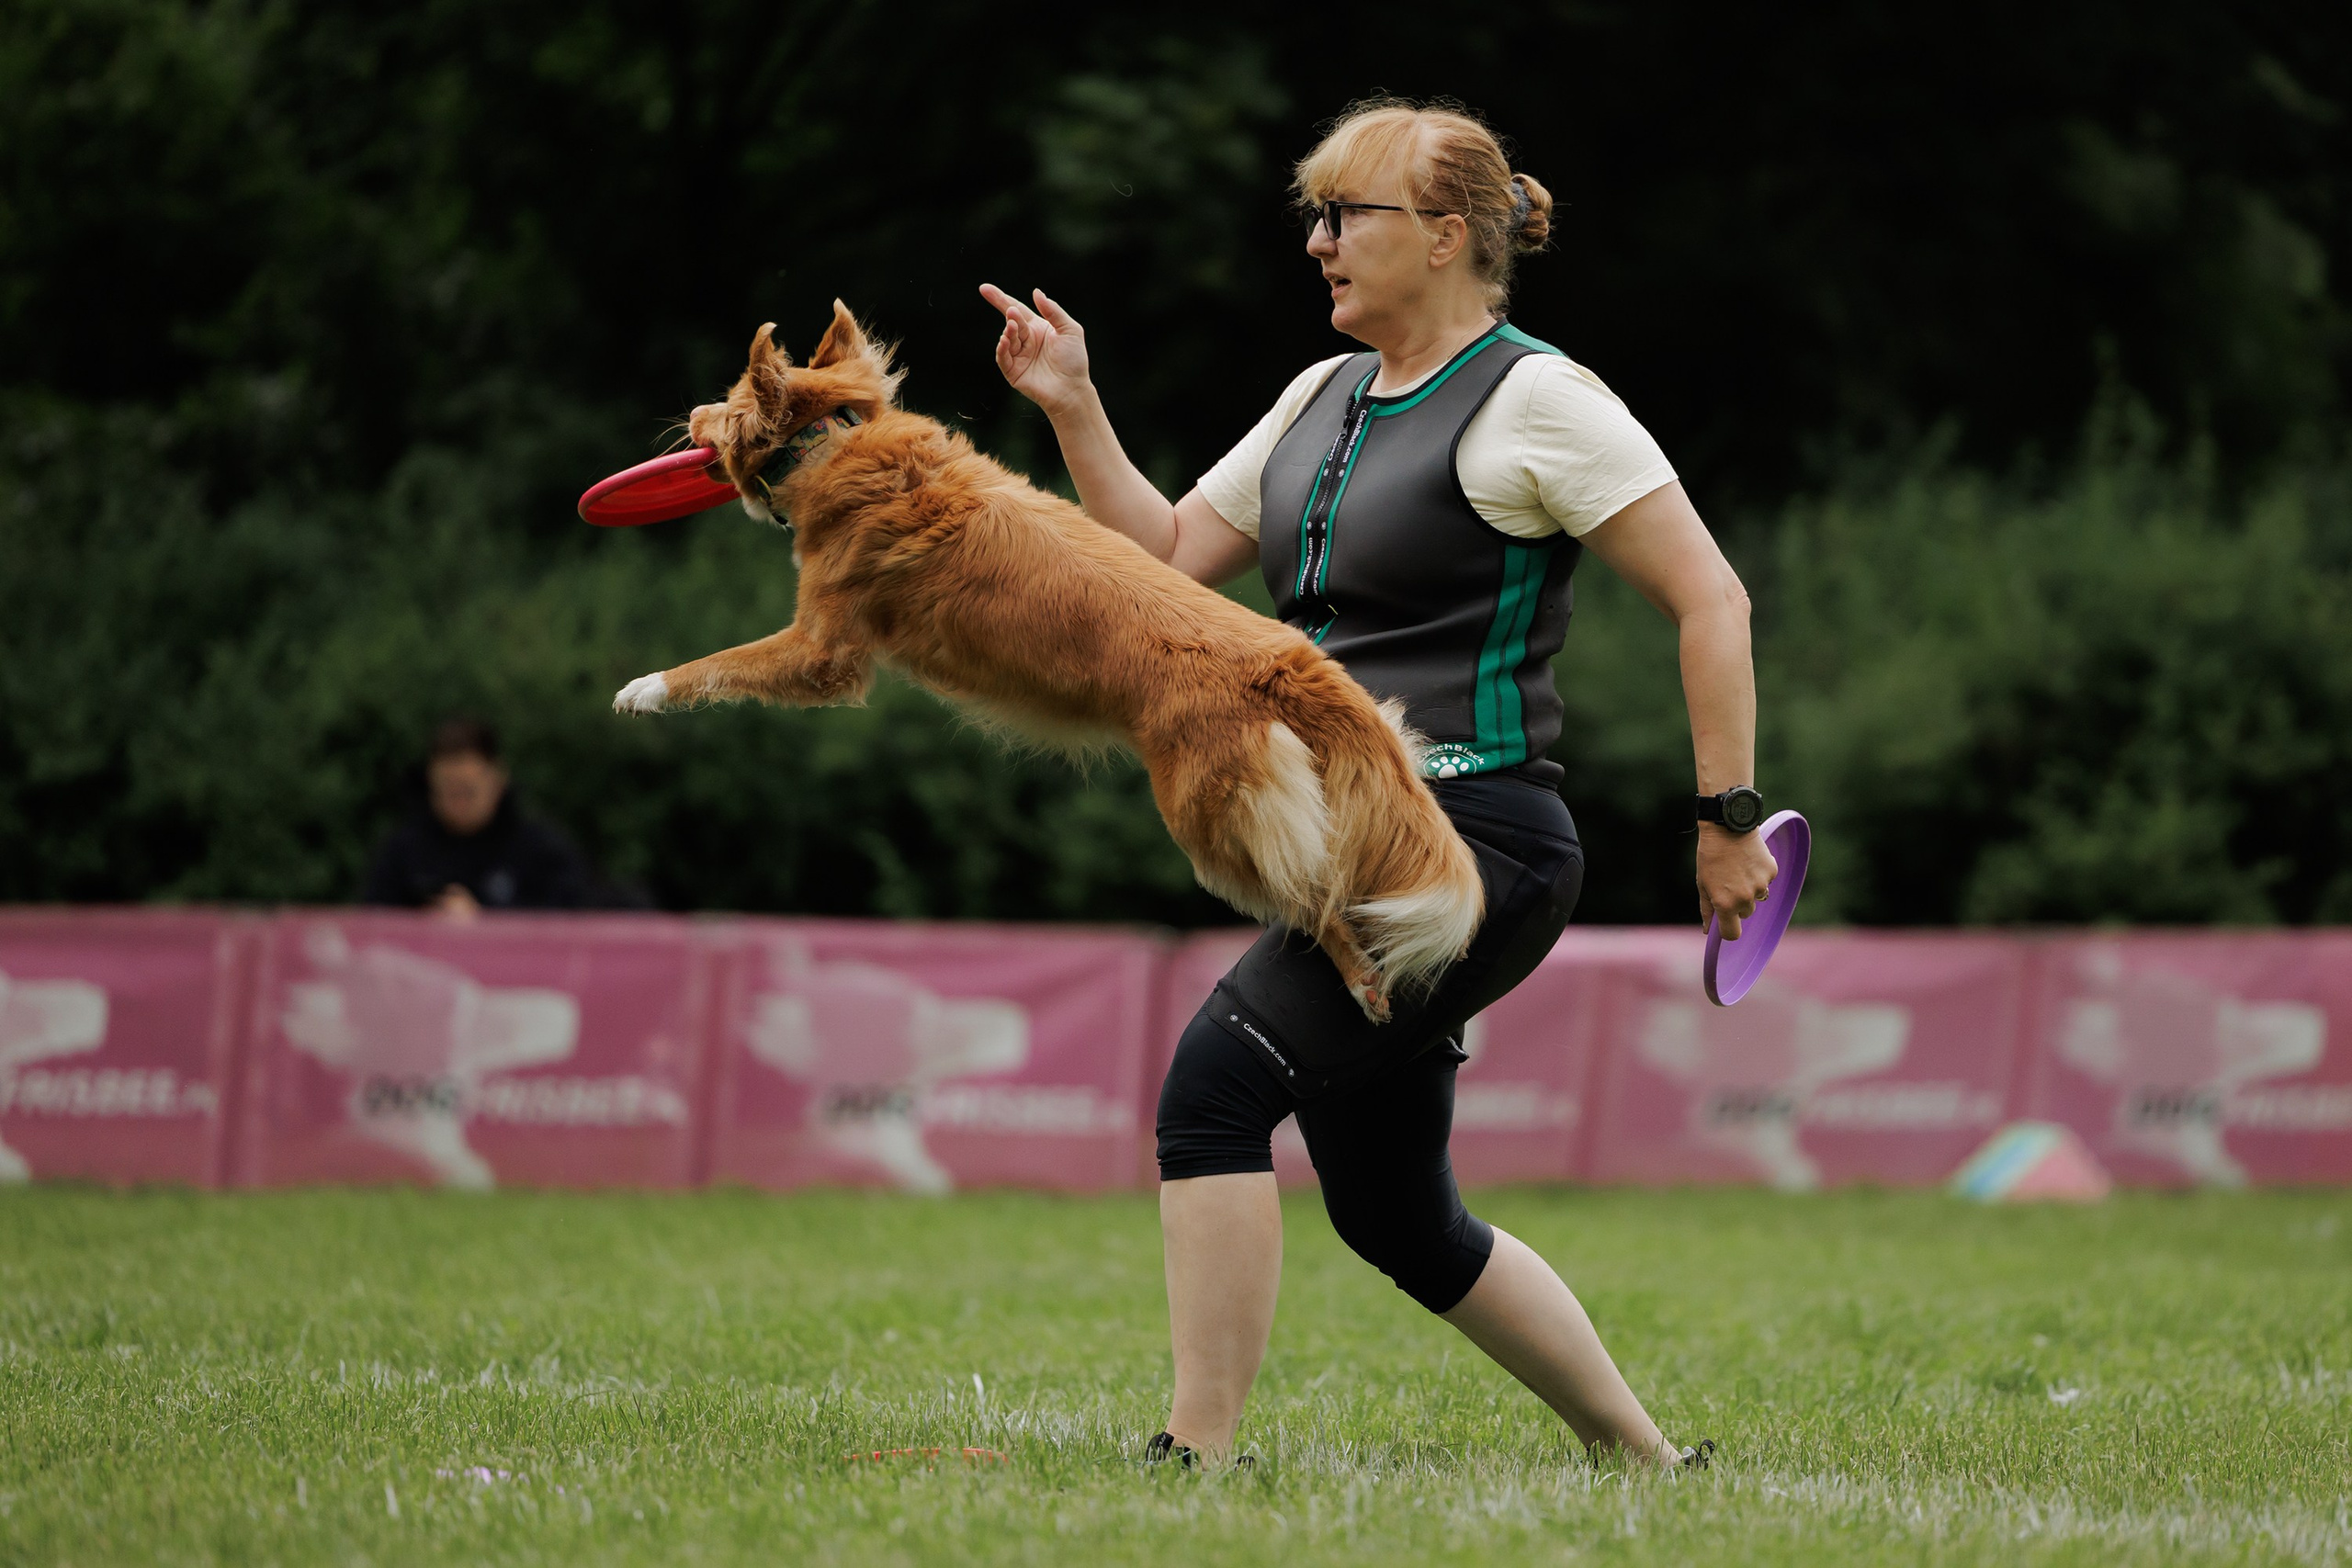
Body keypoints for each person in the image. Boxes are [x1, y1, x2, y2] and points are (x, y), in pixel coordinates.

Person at [982, 99, 1776, 1468]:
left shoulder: (1543, 399)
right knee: (1397, 1212)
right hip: (1344, 843)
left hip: (1477, 843)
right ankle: (1650, 1461)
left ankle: (1196, 1454)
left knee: (1211, 1095)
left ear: (1449, 235)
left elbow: (1711, 596)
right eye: (1318, 216)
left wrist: (1725, 821)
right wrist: (1075, 405)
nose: (1318, 242)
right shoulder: (1319, 396)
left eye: (1346, 216)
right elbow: (1164, 554)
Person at [360, 719, 601, 918]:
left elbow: (572, 922)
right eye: (447, 792)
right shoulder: (404, 851)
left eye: (468, 791)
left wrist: (485, 918)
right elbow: (374, 923)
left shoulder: (541, 849)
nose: (457, 803)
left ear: (497, 780)